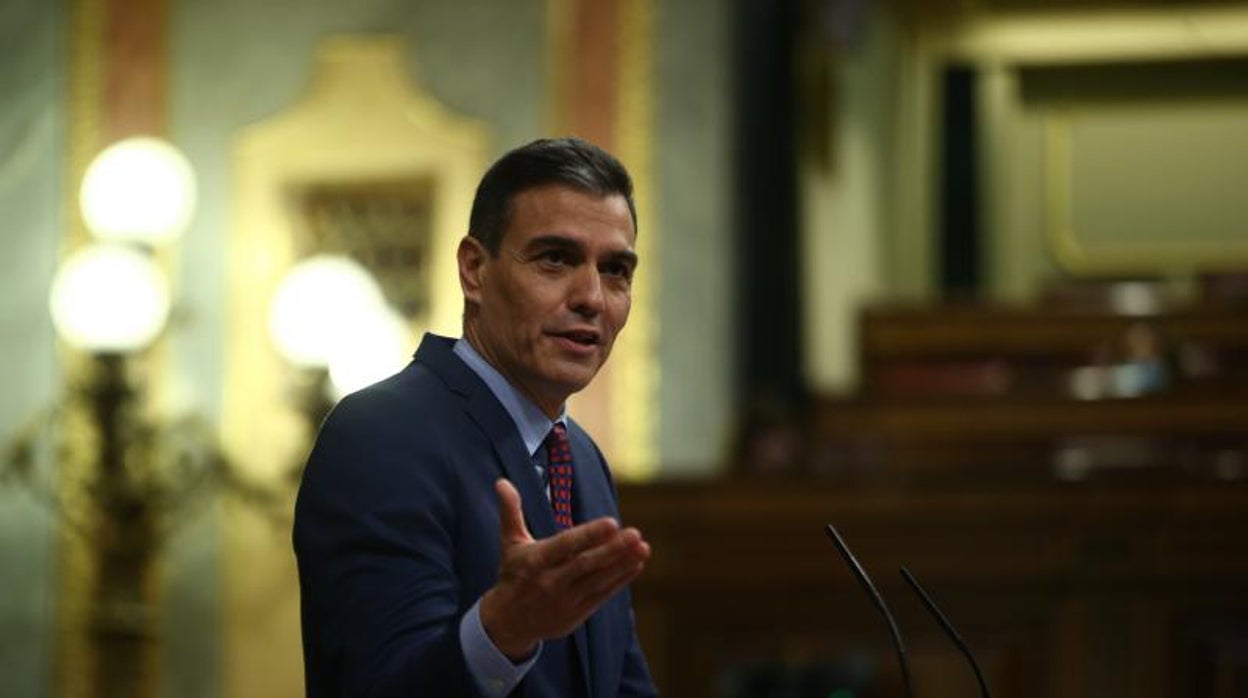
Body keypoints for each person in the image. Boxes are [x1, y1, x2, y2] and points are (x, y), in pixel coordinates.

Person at [293, 137, 658, 697]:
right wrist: (501, 632)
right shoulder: (378, 435)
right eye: (555, 258)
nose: (591, 296)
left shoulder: (580, 458)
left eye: (615, 270)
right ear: (474, 271)